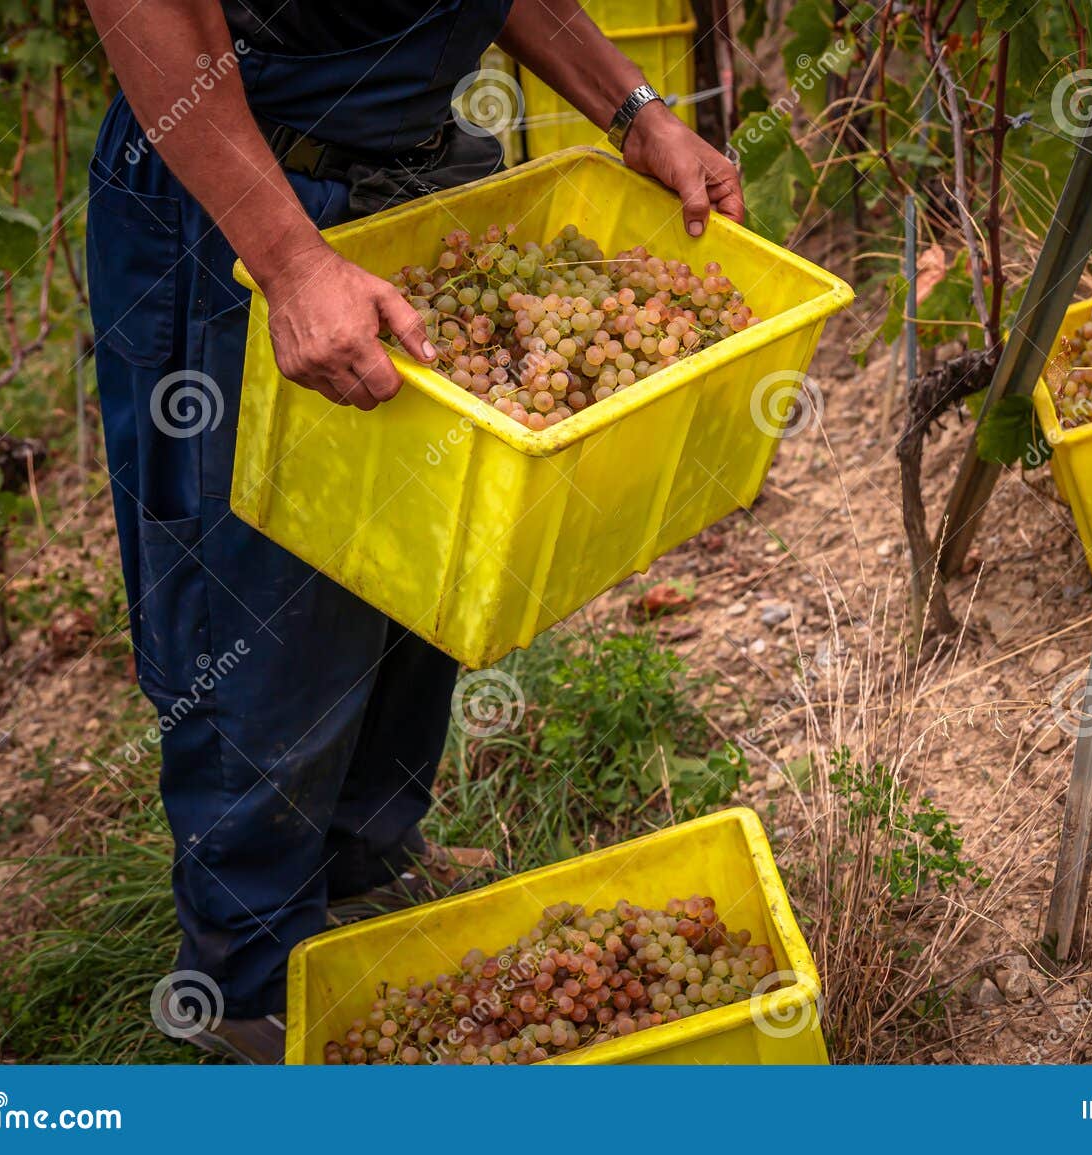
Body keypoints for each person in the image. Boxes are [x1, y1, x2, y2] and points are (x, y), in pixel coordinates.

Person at [82, 0, 745, 1063]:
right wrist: (291, 263)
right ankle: (247, 980)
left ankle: (362, 876)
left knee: (413, 558)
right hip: (243, 210)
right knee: (256, 605)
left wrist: (633, 109)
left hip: (406, 184)